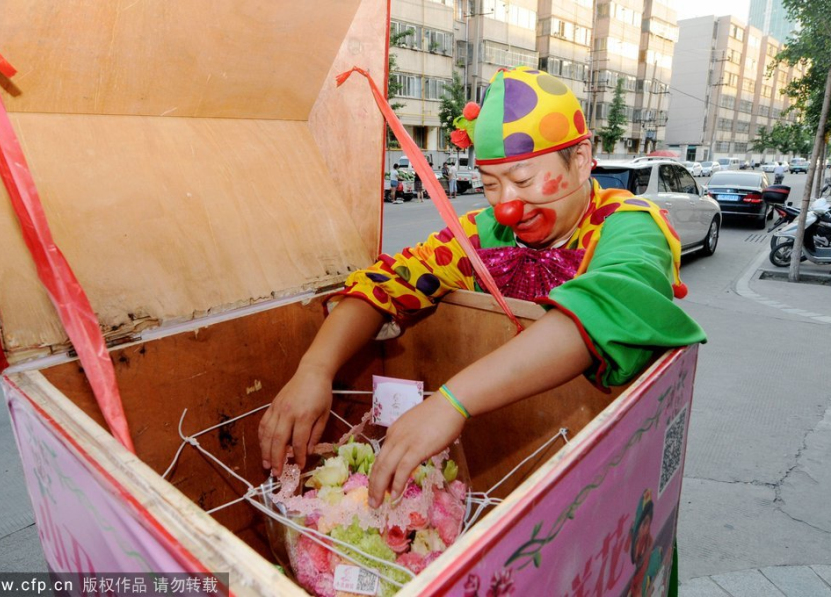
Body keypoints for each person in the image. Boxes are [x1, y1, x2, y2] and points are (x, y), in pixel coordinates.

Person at [259, 66, 705, 515]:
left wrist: (452, 403)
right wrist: (314, 369)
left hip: (602, 485)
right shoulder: (480, 235)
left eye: (525, 181)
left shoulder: (630, 227)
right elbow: (388, 283)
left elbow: (608, 305)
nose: (506, 206)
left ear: (583, 157)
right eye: (491, 185)